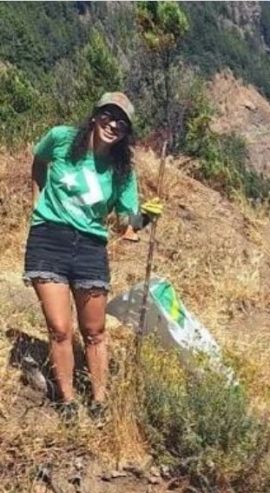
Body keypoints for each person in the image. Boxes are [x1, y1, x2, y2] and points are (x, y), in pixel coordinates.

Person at [23, 92, 163, 411]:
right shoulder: (60, 139)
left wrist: (145, 218)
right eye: (108, 115)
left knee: (95, 331)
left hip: (90, 248)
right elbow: (38, 161)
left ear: (126, 133)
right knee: (60, 328)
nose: (113, 124)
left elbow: (124, 223)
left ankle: (100, 401)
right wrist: (37, 202)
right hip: (49, 240)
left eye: (122, 123)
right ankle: (68, 400)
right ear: (95, 115)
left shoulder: (122, 171)